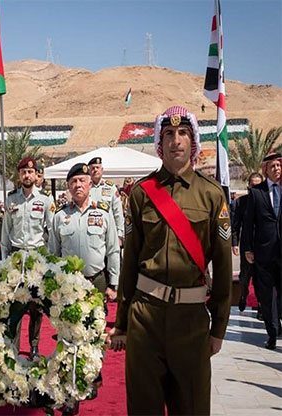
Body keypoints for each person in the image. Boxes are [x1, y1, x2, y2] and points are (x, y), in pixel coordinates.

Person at [106, 105, 232, 415]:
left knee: (191, 406)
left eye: (183, 133)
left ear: (194, 143)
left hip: (190, 320)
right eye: (169, 134)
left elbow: (224, 268)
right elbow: (130, 262)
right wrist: (122, 323)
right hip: (145, 317)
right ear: (159, 145)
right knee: (143, 406)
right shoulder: (141, 194)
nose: (176, 140)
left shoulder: (212, 195)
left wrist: (218, 329)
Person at [49, 162, 120, 414]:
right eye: (73, 182)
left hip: (96, 282)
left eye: (82, 181)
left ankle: (92, 375)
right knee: (69, 335)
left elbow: (113, 250)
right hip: (68, 286)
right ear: (68, 187)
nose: (77, 185)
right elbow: (52, 254)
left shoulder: (103, 213)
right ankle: (71, 385)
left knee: (94, 332)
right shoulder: (59, 216)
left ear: (90, 184)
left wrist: (113, 284)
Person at [0, 157, 55, 359]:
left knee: (36, 307)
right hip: (16, 257)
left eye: (30, 172)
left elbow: (52, 232)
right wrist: (4, 260)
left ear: (36, 175)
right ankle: (13, 346)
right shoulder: (11, 199)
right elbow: (6, 233)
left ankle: (34, 345)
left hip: (37, 257)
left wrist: (49, 260)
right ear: (19, 175)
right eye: (23, 172)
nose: (27, 175)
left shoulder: (46, 200)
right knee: (14, 305)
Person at [242, 153, 282, 350]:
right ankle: (272, 333)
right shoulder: (257, 192)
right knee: (266, 296)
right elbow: (249, 223)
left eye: (279, 165)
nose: (276, 169)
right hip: (264, 252)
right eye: (272, 166)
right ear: (266, 169)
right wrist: (247, 248)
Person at [232, 172, 263, 314]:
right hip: (246, 246)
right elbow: (236, 225)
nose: (255, 188)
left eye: (258, 185)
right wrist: (235, 243)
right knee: (245, 277)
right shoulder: (241, 202)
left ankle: (262, 307)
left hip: (263, 246)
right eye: (252, 185)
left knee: (261, 279)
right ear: (248, 186)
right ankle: (243, 296)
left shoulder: (266, 200)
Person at [88, 157, 124, 249]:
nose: (95, 170)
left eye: (97, 167)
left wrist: (119, 235)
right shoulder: (85, 188)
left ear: (102, 170)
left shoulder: (110, 188)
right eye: (92, 168)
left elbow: (118, 212)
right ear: (89, 171)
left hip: (109, 232)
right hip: (89, 232)